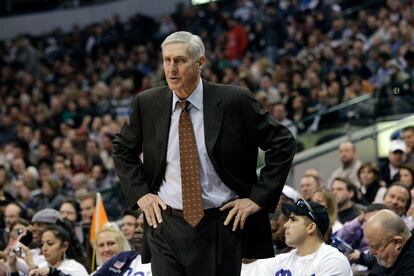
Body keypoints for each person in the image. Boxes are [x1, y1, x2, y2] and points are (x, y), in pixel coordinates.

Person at [112, 31, 296, 276]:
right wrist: (142, 194)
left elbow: (283, 143)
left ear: (200, 62)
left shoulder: (234, 100)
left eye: (180, 60)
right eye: (166, 60)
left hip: (221, 223)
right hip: (165, 223)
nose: (171, 68)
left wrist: (257, 198)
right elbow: (122, 150)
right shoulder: (147, 103)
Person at [243, 199, 352, 275]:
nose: (285, 225)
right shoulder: (281, 261)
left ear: (310, 227)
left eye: (293, 219)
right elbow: (246, 270)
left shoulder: (332, 260)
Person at [13, 220, 88, 276]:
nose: (44, 248)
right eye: (42, 244)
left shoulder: (74, 268)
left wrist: (32, 266)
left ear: (64, 246)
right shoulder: (42, 264)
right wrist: (23, 241)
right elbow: (12, 255)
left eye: (50, 244)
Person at [364, 209, 414, 275]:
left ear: (397, 243)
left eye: (376, 247)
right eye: (370, 246)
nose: (371, 252)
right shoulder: (390, 257)